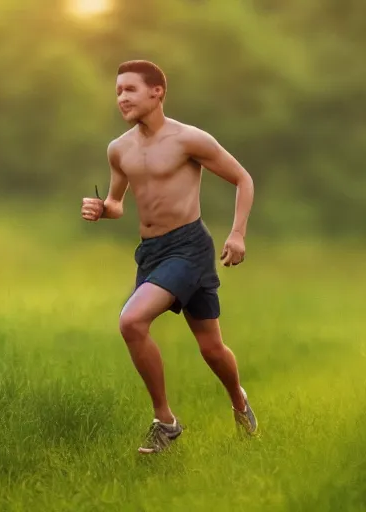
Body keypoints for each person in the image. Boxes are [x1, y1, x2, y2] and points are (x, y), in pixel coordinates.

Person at [80, 60, 258, 454]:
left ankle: (166, 422)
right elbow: (117, 203)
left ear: (157, 92)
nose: (121, 98)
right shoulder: (119, 149)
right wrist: (101, 209)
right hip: (152, 252)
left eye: (130, 89)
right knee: (211, 347)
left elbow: (243, 178)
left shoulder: (188, 139)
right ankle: (240, 400)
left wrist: (238, 233)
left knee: (131, 319)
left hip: (189, 247)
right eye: (118, 92)